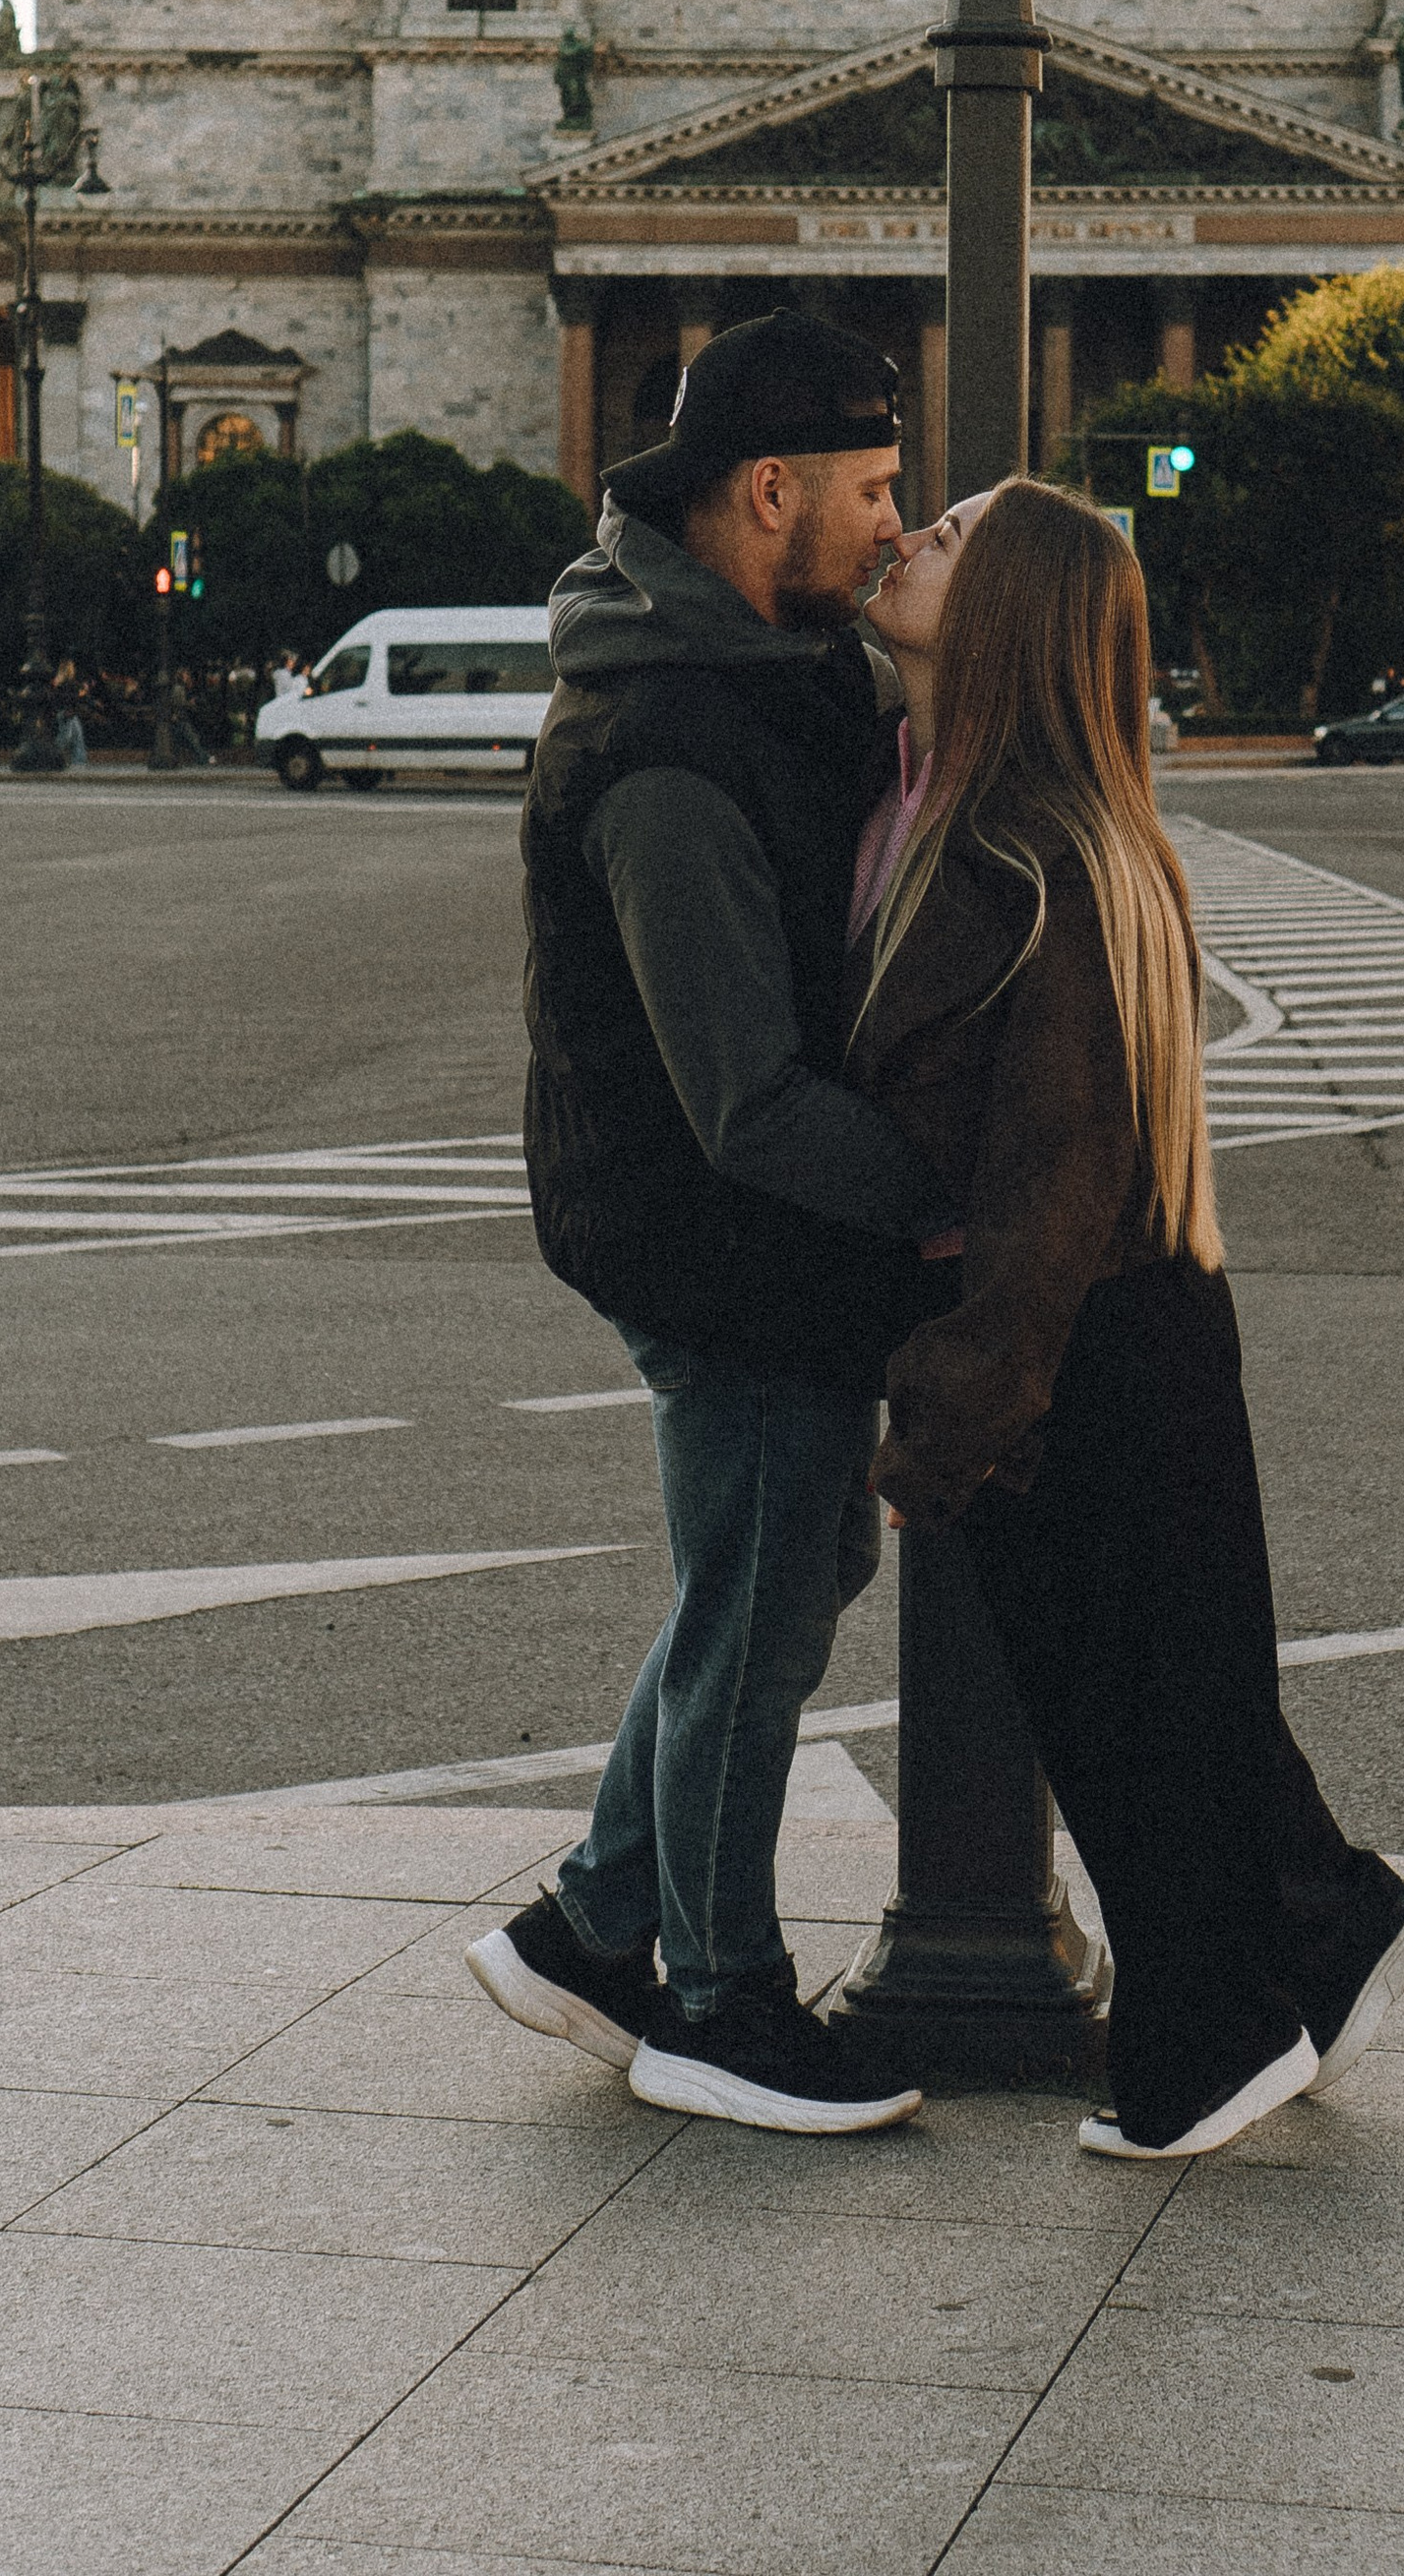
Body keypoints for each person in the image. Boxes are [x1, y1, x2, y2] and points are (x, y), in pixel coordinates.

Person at [847, 479, 1404, 2159]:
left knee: (1132, 1719)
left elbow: (1051, 1172)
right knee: (1158, 1699)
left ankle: (1221, 2036)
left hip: (1076, 1331)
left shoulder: (1032, 855)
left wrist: (954, 1416)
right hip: (1108, 1327)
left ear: (1011, 617)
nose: (911, 542)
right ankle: (1303, 1951)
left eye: (950, 537)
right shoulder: (968, 808)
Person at [470, 308, 949, 2139]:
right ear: (771, 493)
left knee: (783, 1572)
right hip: (716, 1236)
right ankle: (718, 1996)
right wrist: (941, 1205)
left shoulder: (754, 667)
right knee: (758, 1603)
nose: (896, 527)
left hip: (744, 1227)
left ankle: (598, 1920)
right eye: (875, 490)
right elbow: (742, 1099)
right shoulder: (668, 740)